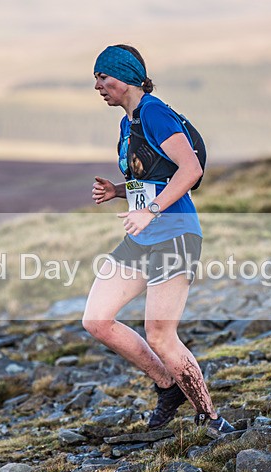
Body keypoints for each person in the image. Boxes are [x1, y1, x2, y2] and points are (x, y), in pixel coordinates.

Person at [82, 44, 235, 439]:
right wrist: (117, 191)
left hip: (176, 235)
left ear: (126, 76)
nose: (98, 86)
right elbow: (152, 177)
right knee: (96, 320)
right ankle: (168, 386)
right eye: (96, 78)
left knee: (161, 335)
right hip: (144, 237)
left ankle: (212, 419)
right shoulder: (128, 122)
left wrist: (150, 210)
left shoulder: (154, 112)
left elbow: (190, 169)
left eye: (103, 77)